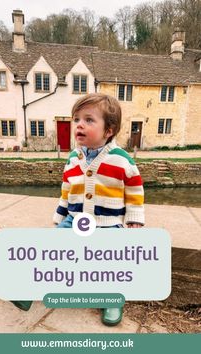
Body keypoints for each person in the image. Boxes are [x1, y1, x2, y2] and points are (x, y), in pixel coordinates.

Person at [53, 93, 145, 326]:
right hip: (74, 219)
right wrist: (60, 215)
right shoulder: (73, 158)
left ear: (109, 130)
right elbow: (67, 189)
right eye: (76, 120)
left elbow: (134, 188)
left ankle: (112, 299)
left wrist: (135, 217)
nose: (79, 125)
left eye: (89, 120)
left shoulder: (121, 160)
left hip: (108, 223)